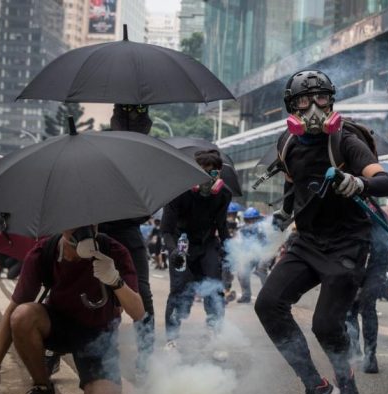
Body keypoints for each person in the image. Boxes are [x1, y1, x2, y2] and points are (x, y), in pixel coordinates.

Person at [254, 70, 388, 394]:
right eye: (304, 100)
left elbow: (386, 183)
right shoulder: (286, 143)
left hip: (348, 243)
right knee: (268, 304)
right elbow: (293, 185)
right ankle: (316, 387)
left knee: (326, 325)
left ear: (331, 101)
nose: (314, 107)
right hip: (307, 241)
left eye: (321, 98)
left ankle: (345, 378)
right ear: (292, 107)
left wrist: (358, 182)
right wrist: (284, 214)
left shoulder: (345, 140)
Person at [0, 225, 144, 394]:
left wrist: (115, 280)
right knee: (22, 316)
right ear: (60, 224)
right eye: (74, 224)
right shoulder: (44, 252)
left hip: (97, 334)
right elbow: (13, 309)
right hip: (58, 324)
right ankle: (42, 388)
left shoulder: (114, 251)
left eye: (90, 222)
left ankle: (102, 379)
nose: (83, 229)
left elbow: (138, 312)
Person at [98, 103, 156, 378]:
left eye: (140, 114)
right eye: (128, 113)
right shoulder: (99, 151)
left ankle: (146, 356)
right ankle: (56, 353)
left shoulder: (146, 160)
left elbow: (148, 206)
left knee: (141, 293)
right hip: (97, 231)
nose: (134, 120)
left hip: (128, 231)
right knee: (79, 289)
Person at [161, 149, 232, 350]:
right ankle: (171, 339)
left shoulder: (224, 194)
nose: (207, 179)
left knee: (215, 289)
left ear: (219, 174)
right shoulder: (177, 192)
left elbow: (221, 226)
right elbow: (166, 230)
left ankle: (214, 335)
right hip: (181, 244)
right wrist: (174, 251)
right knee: (179, 292)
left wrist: (230, 251)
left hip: (207, 244)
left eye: (212, 173)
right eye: (202, 172)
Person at [345, 202, 388, 374]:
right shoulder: (349, 207)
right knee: (350, 309)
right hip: (353, 264)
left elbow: (385, 246)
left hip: (374, 265)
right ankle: (355, 350)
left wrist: (378, 274)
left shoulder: (377, 212)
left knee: (367, 307)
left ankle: (370, 355)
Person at [235, 207, 270, 304]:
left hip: (263, 254)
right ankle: (246, 296)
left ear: (257, 219)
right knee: (242, 271)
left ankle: (267, 296)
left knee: (261, 269)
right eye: (248, 220)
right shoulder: (243, 229)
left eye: (252, 220)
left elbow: (268, 244)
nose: (250, 222)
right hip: (250, 254)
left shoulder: (263, 228)